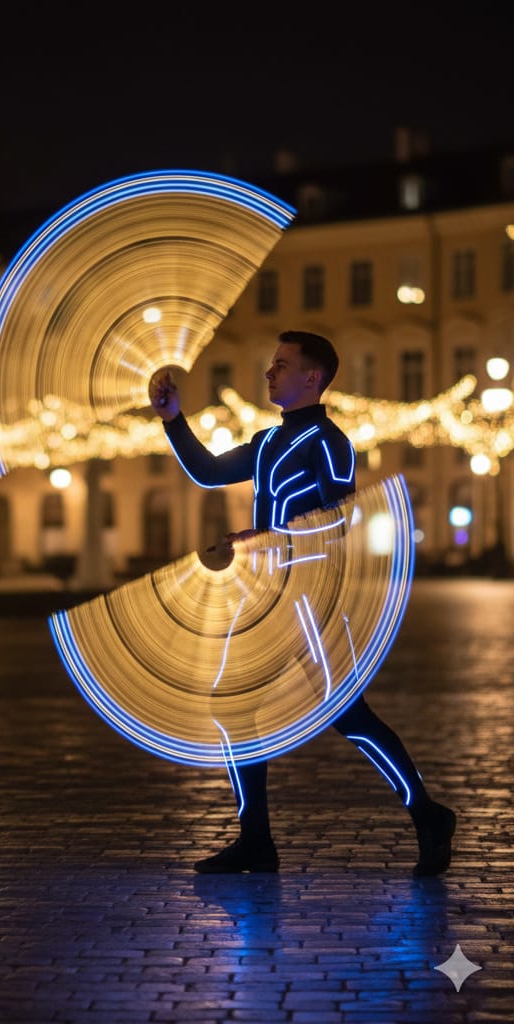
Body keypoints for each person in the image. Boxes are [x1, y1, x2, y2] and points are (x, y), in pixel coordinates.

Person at [148, 330, 456, 876]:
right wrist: (173, 418)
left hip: (310, 599)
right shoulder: (269, 442)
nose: (269, 373)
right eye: (271, 364)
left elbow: (339, 523)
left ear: (311, 378)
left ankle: (428, 815)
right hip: (268, 597)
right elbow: (209, 471)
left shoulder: (330, 443)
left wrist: (261, 538)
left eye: (281, 365)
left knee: (350, 716)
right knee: (234, 708)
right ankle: (256, 840)